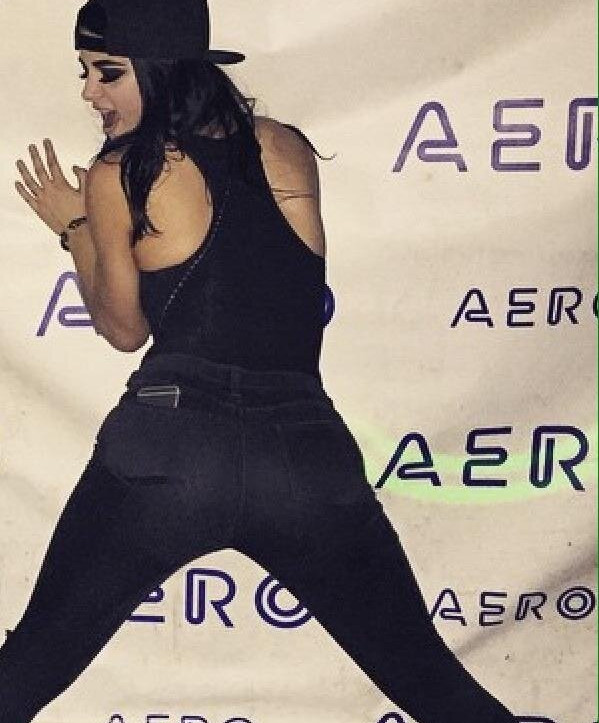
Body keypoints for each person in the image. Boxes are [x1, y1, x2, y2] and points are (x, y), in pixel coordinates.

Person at [5, 1, 523, 721]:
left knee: (29, 667)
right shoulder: (287, 147)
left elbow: (122, 329)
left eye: (108, 72)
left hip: (170, 451)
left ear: (159, 70)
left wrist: (77, 228)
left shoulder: (119, 171)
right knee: (433, 685)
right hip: (304, 456)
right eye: (86, 73)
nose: (90, 92)